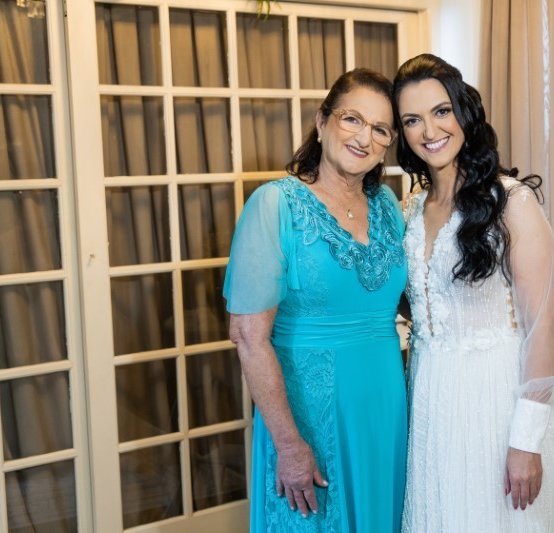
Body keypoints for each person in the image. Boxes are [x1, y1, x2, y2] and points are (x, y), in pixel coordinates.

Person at [394, 53, 554, 532]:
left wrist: (526, 440)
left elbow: (542, 327)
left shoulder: (511, 202)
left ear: (464, 112)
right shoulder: (408, 210)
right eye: (412, 120)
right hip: (430, 402)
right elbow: (418, 303)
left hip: (496, 400)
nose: (430, 130)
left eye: (441, 111)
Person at [224, 68, 407, 532]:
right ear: (322, 121)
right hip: (309, 416)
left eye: (380, 129)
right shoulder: (274, 205)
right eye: (352, 119)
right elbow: (248, 337)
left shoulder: (388, 206)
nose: (364, 138)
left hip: (385, 410)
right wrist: (288, 445)